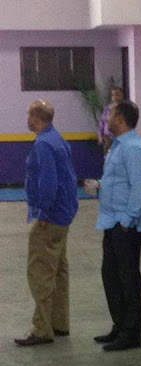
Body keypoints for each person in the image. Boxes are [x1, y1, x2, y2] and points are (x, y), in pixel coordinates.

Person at [15, 100, 78, 347]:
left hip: (50, 216)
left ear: (35, 117)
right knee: (58, 269)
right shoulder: (57, 139)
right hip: (64, 214)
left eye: (28, 115)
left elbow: (48, 181)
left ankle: (42, 329)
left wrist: (43, 213)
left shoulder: (43, 144)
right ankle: (59, 322)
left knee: (40, 271)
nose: (27, 120)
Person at [90, 100, 141, 351]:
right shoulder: (117, 146)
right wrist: (99, 185)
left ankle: (132, 333)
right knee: (111, 276)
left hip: (125, 225)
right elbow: (118, 181)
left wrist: (128, 221)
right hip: (111, 221)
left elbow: (140, 187)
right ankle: (120, 325)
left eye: (111, 114)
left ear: (121, 118)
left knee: (128, 280)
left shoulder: (133, 148)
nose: (106, 118)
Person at [97, 87, 125, 155]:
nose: (115, 97)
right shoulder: (107, 108)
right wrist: (100, 136)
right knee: (108, 156)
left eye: (117, 94)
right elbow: (102, 123)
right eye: (113, 95)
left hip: (119, 138)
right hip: (107, 137)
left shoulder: (124, 108)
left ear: (122, 95)